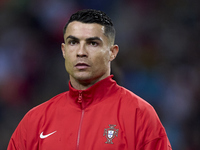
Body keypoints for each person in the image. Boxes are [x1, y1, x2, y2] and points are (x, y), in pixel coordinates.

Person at [7, 9, 172, 150]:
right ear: (64, 51)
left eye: (92, 43)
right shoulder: (36, 120)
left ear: (112, 52)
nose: (81, 52)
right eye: (73, 43)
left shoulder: (140, 115)